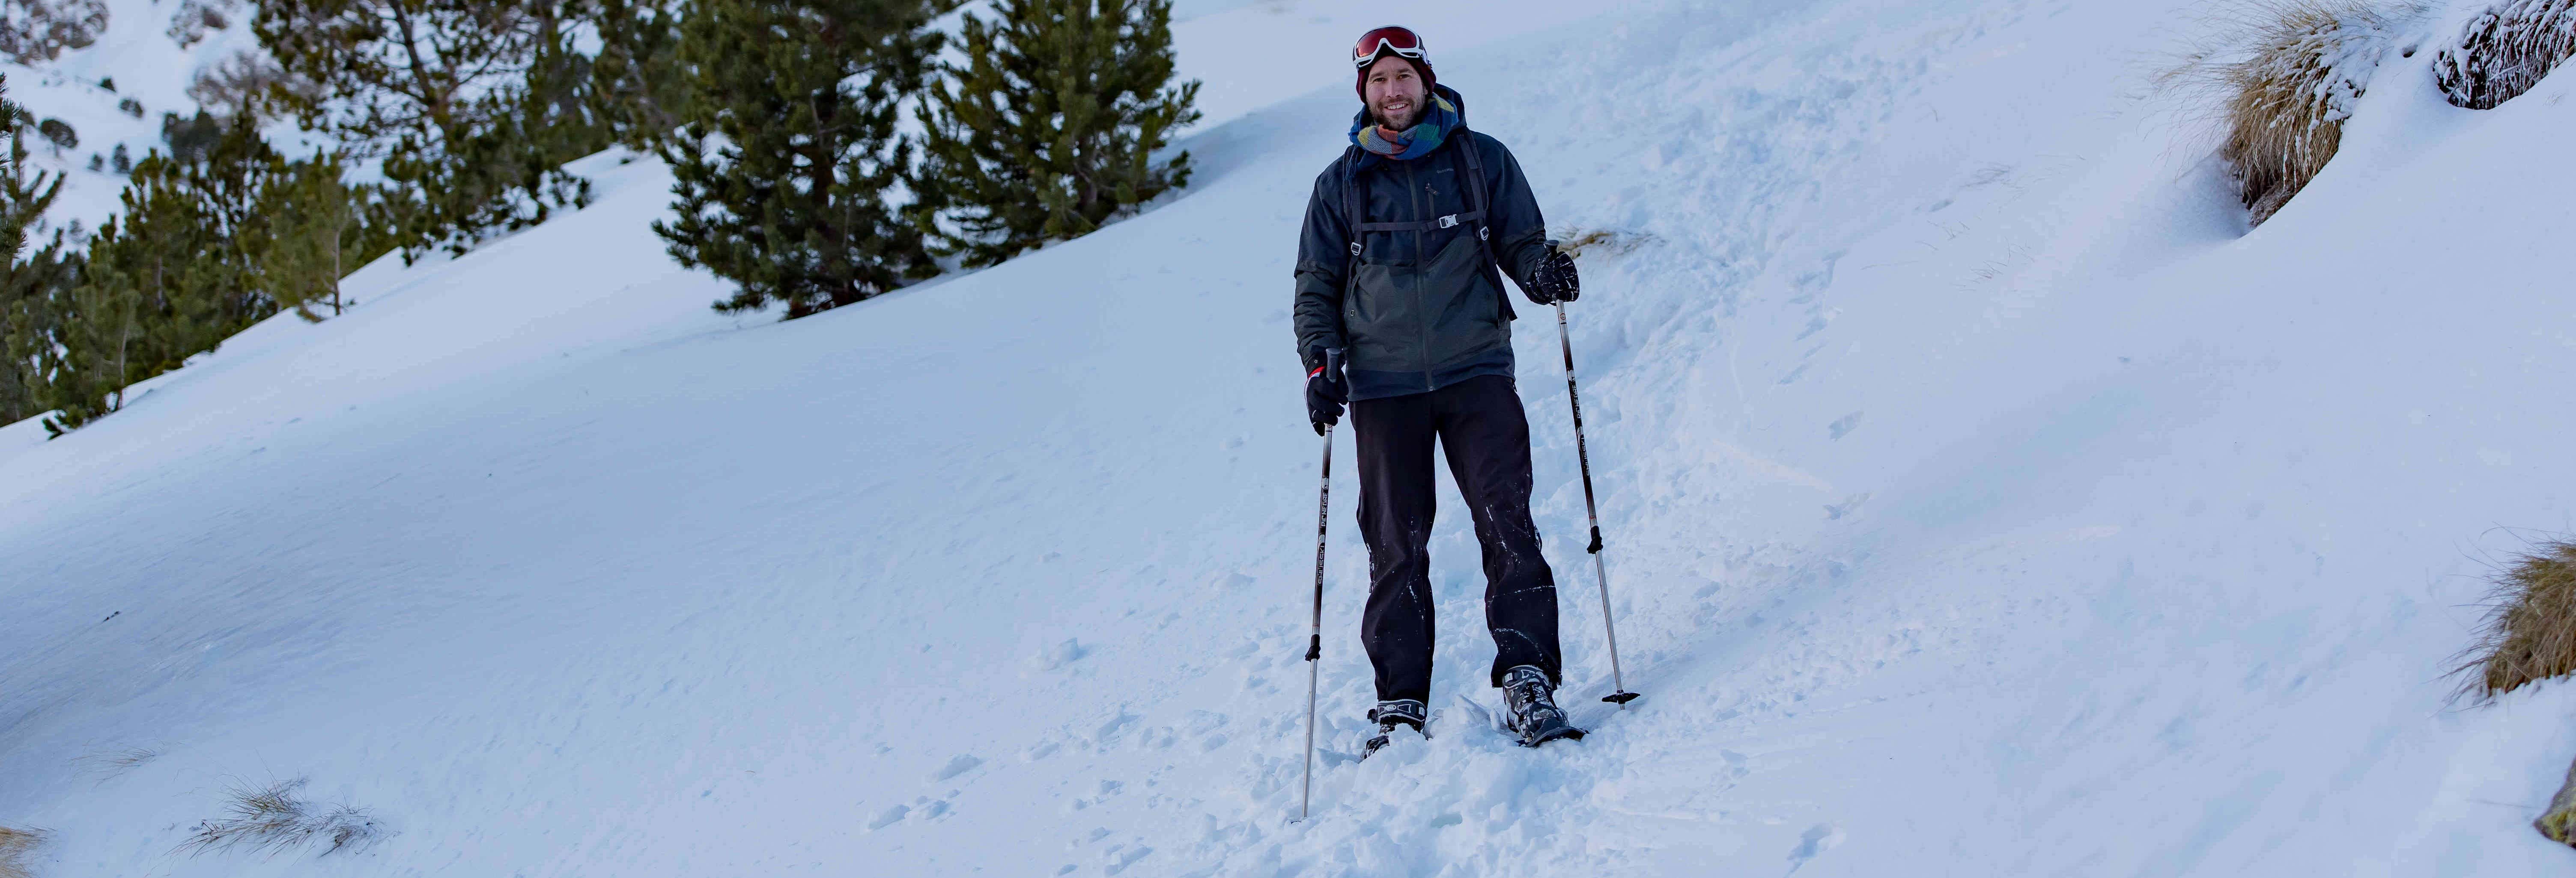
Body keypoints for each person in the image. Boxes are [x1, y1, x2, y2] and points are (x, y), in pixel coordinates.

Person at [1291, 25, 1586, 753]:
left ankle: (1528, 679)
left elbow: (1521, 242)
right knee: (1395, 543)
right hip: (1383, 386)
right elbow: (1317, 285)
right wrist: (1320, 362)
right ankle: (1400, 702)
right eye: (1380, 81)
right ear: (1364, 92)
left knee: (1506, 520)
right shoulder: (1340, 184)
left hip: (1476, 368)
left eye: (1404, 77)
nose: (1393, 91)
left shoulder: (1482, 160)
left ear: (1426, 81)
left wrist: (1542, 270)